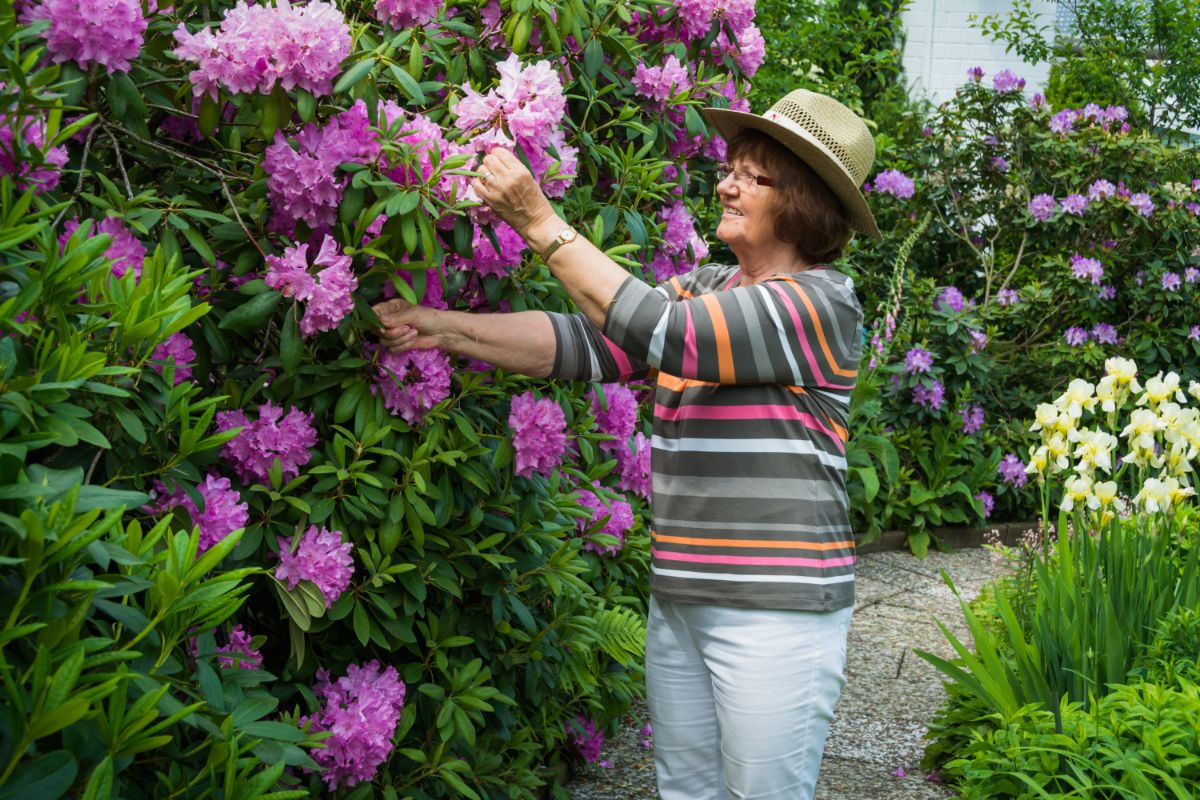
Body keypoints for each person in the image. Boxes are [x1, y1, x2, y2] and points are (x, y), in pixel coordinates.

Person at [375, 88, 880, 800]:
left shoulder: (820, 301)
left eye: (751, 175)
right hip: (681, 598)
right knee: (686, 792)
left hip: (776, 611)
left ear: (803, 201)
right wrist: (444, 327)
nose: (726, 184)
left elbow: (668, 336)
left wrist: (539, 221)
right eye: (729, 166)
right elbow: (588, 343)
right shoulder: (709, 286)